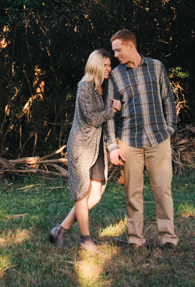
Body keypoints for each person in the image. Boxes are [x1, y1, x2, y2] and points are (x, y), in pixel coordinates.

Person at [105, 29, 179, 249]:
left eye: (118, 50)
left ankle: (167, 238)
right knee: (132, 193)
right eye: (113, 51)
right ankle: (135, 239)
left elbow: (169, 99)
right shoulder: (116, 75)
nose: (115, 55)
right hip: (129, 141)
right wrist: (111, 146)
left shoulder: (156, 67)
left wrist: (170, 128)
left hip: (158, 138)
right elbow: (109, 113)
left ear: (130, 46)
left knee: (162, 190)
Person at [49, 49, 123, 252]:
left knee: (96, 194)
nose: (109, 69)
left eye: (109, 65)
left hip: (96, 146)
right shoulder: (84, 87)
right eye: (106, 65)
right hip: (81, 146)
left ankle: (60, 229)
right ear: (96, 65)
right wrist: (113, 111)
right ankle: (86, 240)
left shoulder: (102, 87)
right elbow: (91, 118)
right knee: (82, 194)